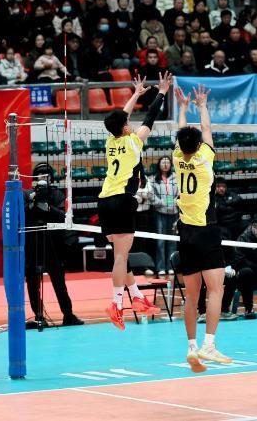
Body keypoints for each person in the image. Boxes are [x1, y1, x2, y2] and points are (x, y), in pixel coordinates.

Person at [99, 73, 171, 330]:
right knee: (120, 256)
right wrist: (161, 92)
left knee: (122, 255)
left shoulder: (111, 141)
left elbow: (122, 116)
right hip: (122, 201)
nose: (130, 122)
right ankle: (116, 305)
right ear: (126, 127)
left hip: (105, 201)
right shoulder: (133, 141)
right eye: (128, 122)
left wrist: (136, 94)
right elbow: (150, 117)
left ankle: (138, 298)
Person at [174, 84, 232, 372]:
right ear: (197, 146)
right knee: (216, 290)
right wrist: (201, 105)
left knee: (191, 295)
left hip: (185, 232)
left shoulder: (176, 157)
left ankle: (191, 347)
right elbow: (206, 128)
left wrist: (183, 108)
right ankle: (209, 344)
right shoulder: (205, 158)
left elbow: (182, 132)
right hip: (207, 231)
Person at [23, 163, 82, 328]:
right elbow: (21, 214)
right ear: (35, 178)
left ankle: (68, 315)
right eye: (40, 175)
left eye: (46, 175)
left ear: (51, 178)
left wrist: (48, 208)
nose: (43, 177)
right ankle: (39, 316)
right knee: (32, 281)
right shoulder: (26, 194)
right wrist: (32, 201)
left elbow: (64, 216)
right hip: (33, 244)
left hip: (53, 245)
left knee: (59, 281)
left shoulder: (56, 194)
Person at [149, 156, 178, 275]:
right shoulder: (153, 179)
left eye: (167, 162)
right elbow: (151, 195)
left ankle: (171, 266)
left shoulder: (176, 177)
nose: (165, 164)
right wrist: (162, 203)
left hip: (174, 212)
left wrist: (174, 202)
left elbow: (179, 194)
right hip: (160, 213)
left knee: (172, 241)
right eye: (163, 162)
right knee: (160, 241)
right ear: (159, 164)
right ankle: (161, 267)